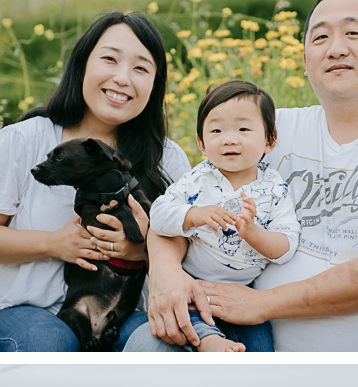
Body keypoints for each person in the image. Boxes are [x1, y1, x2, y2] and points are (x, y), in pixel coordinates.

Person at [132, 0, 358, 353]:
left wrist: (263, 304)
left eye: (353, 33)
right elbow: (189, 202)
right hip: (234, 333)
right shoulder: (266, 129)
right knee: (145, 349)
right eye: (321, 37)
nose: (336, 48)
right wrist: (168, 276)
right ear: (305, 59)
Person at [0, 12, 193, 353]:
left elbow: (191, 248)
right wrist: (54, 244)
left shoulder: (167, 158)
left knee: (159, 348)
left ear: (155, 84)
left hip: (125, 315)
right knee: (51, 344)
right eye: (109, 59)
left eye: (141, 68)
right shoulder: (23, 140)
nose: (123, 78)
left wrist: (142, 249)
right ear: (82, 64)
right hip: (26, 314)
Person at [125, 81, 300, 354]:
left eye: (243, 129)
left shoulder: (274, 188)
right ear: (202, 143)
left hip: (245, 292)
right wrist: (193, 214)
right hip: (194, 280)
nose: (229, 139)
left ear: (270, 140)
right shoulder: (197, 179)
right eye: (216, 130)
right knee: (184, 310)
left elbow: (286, 246)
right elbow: (158, 215)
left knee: (261, 348)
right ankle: (209, 342)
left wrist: (255, 234)